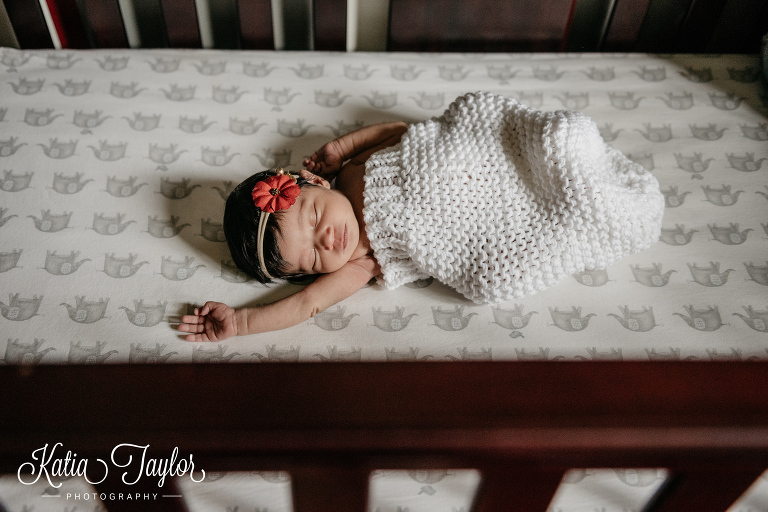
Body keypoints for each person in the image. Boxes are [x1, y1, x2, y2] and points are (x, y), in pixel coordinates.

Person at [178, 92, 664, 342]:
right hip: (475, 226)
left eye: (309, 216)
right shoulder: (360, 263)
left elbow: (401, 130)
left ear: (315, 184)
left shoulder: (351, 168)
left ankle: (569, 161)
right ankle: (581, 208)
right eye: (308, 257)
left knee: (548, 135)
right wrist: (242, 323)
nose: (324, 239)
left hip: (468, 157)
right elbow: (304, 308)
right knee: (496, 274)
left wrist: (343, 146)